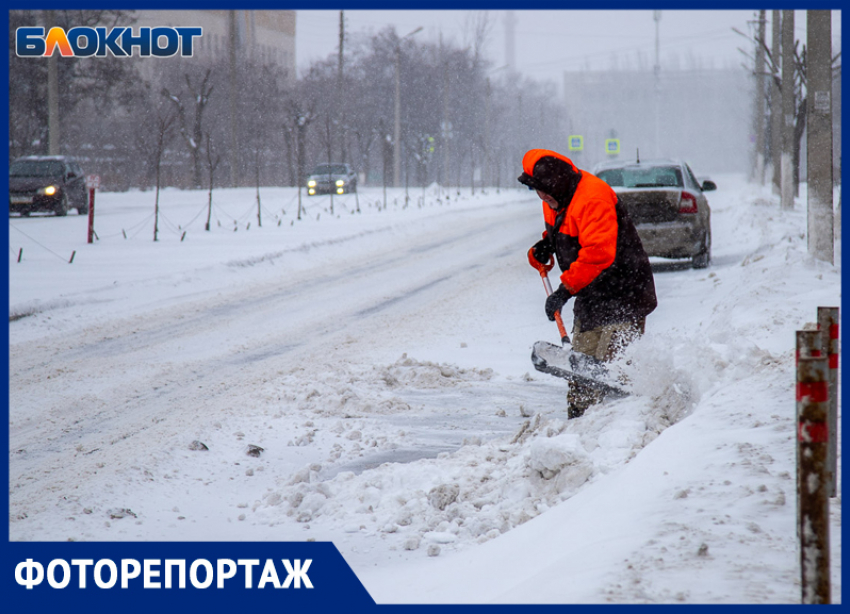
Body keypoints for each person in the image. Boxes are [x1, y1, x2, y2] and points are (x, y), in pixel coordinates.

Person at [518, 148, 657, 418]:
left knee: (613, 373)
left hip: (624, 293)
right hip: (591, 295)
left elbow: (597, 254)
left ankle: (624, 432)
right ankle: (580, 427)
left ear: (558, 185)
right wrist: (547, 244)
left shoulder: (593, 198)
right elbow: (562, 230)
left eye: (546, 192)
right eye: (538, 192)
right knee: (581, 374)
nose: (543, 198)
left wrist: (563, 291)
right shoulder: (554, 197)